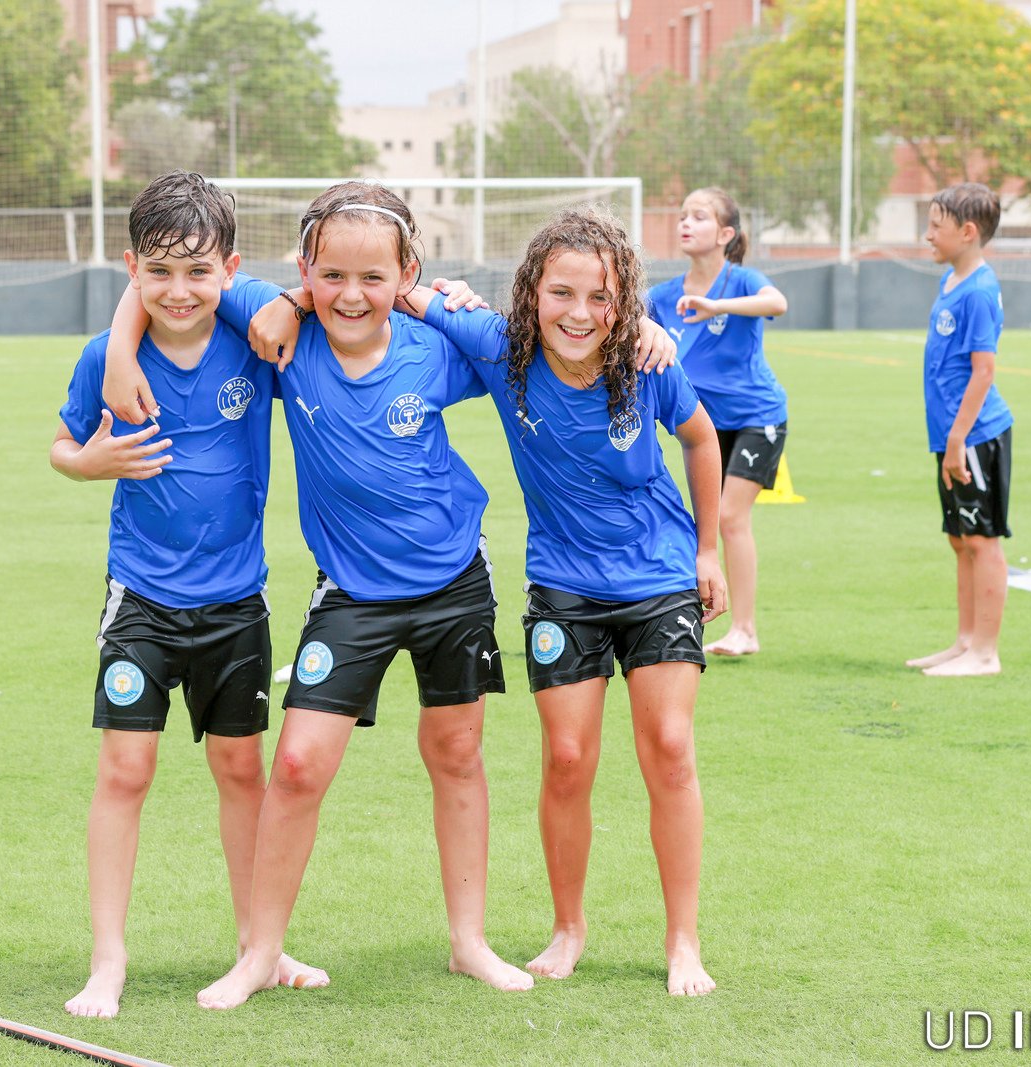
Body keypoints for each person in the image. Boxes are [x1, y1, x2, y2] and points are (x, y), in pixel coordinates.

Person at [101, 180, 531, 1010]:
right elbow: (170, 272)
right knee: (296, 764)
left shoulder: (436, 345)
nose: (351, 295)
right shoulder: (279, 334)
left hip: (453, 579)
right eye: (330, 276)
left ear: (406, 273)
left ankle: (469, 940)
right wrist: (126, 348)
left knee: (456, 752)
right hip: (351, 592)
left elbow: (531, 347)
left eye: (374, 278)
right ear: (304, 271)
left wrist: (443, 302)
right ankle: (260, 951)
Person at [396, 209, 728, 996]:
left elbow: (701, 438)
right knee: (568, 759)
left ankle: (683, 939)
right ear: (531, 293)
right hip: (564, 583)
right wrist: (444, 290)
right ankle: (568, 927)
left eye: (601, 297)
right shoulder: (499, 346)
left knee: (670, 747)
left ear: (624, 302)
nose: (580, 313)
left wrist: (708, 548)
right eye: (561, 293)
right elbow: (402, 291)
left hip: (658, 576)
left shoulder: (646, 359)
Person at [51, 171, 326, 1019]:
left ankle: (258, 944)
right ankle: (108, 957)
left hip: (237, 600)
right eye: (159, 272)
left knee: (241, 768)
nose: (178, 291)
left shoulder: (254, 338)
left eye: (199, 272)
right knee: (125, 770)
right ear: (131, 267)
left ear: (229, 269)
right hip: (140, 595)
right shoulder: (104, 359)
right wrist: (89, 462)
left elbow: (307, 302)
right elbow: (62, 445)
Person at [646, 187, 788, 657]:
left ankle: (745, 629)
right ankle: (697, 614)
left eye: (700, 216)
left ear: (726, 234)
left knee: (729, 517)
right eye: (683, 215)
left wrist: (716, 306)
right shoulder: (664, 295)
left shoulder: (742, 280)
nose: (685, 223)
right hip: (704, 430)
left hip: (757, 417)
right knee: (703, 522)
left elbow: (777, 303)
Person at [905, 182, 1013, 677]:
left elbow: (983, 371)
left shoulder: (980, 291)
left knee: (982, 539)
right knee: (960, 537)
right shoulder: (951, 281)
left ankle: (985, 653)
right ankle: (965, 642)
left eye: (936, 226)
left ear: (968, 232)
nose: (927, 235)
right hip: (951, 435)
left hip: (973, 436)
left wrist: (957, 439)